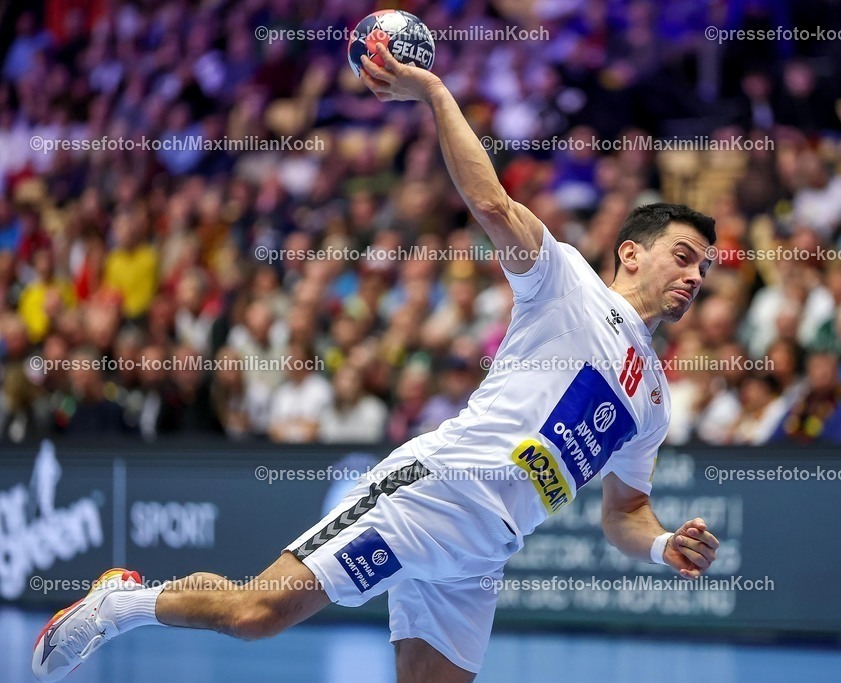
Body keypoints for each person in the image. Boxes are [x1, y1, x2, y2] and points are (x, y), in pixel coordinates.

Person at [33, 44, 720, 683]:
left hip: (485, 553)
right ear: (631, 251)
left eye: (706, 269)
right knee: (255, 613)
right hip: (432, 493)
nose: (695, 276)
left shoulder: (654, 398)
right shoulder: (565, 281)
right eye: (684, 256)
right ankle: (121, 602)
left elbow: (624, 510)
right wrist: (433, 91)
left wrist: (663, 546)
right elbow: (489, 202)